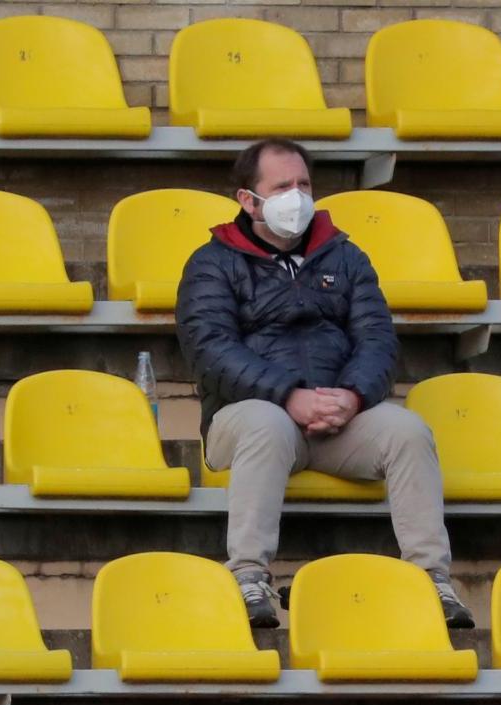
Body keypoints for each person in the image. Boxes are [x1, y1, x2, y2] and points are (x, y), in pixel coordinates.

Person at [175, 137, 470, 629]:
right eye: (282, 186)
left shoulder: (346, 256)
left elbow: (377, 339)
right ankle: (248, 575)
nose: (298, 196)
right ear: (248, 200)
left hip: (337, 417)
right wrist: (289, 395)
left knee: (407, 431)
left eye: (304, 184)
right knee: (267, 423)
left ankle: (430, 578)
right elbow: (211, 350)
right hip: (248, 417)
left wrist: (351, 397)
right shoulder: (212, 262)